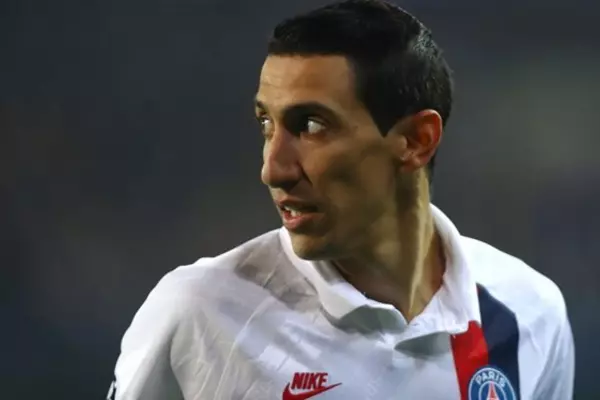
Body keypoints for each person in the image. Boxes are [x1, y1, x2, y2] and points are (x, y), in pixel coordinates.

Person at [107, 1, 575, 399]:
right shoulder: (201, 312)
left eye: (311, 125)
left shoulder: (529, 312)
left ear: (417, 140)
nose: (273, 169)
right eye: (266, 124)